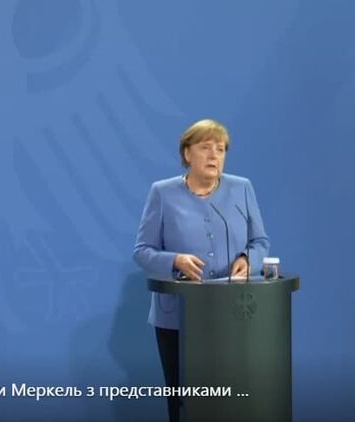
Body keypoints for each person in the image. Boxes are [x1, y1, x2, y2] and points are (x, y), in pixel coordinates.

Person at [132, 119, 270, 422]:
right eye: (205, 148)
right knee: (184, 401)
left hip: (233, 311)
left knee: (232, 399)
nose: (214, 155)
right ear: (187, 154)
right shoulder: (162, 193)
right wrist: (175, 260)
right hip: (178, 315)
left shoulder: (242, 188)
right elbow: (142, 251)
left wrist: (249, 259)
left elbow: (260, 241)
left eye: (220, 149)